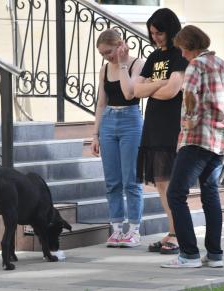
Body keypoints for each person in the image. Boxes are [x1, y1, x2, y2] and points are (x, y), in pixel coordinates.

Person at [161, 25, 224, 268]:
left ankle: (188, 255)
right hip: (218, 140)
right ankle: (215, 255)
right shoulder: (221, 63)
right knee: (210, 195)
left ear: (188, 46)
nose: (182, 54)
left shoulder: (195, 65)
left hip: (196, 139)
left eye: (182, 49)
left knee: (175, 194)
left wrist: (190, 119)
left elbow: (190, 95)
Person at [134, 8, 188, 255]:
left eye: (159, 32)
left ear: (171, 29)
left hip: (171, 126)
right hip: (153, 125)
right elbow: (136, 90)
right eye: (152, 33)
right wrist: (160, 84)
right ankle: (173, 231)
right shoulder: (154, 56)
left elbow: (173, 90)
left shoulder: (180, 55)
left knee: (172, 184)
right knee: (160, 183)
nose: (155, 37)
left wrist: (152, 87)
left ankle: (178, 234)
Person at [91, 29, 145, 247]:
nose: (107, 57)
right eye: (103, 54)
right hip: (109, 122)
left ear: (121, 45)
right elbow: (101, 103)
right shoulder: (104, 69)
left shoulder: (136, 64)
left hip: (131, 120)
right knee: (112, 180)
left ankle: (133, 230)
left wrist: (122, 63)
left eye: (110, 52)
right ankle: (116, 229)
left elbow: (129, 93)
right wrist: (95, 134)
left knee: (131, 179)